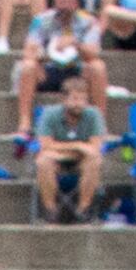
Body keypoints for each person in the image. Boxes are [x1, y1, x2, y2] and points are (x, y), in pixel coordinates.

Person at [15, 0, 106, 131]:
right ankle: (24, 121)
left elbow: (93, 53)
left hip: (77, 70)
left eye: (68, 2)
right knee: (27, 66)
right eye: (60, 2)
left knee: (98, 66)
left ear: (76, 4)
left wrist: (76, 44)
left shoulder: (89, 22)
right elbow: (29, 51)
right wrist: (48, 51)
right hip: (48, 69)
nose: (64, 7)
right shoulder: (41, 20)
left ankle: (99, 123)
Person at [33, 72, 107, 225]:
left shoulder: (94, 115)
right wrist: (78, 146)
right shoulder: (49, 114)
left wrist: (61, 150)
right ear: (64, 99)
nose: (78, 103)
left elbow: (94, 148)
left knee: (94, 160)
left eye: (82, 99)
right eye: (74, 99)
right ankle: (50, 211)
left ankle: (83, 210)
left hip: (80, 160)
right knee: (43, 161)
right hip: (57, 160)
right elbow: (45, 145)